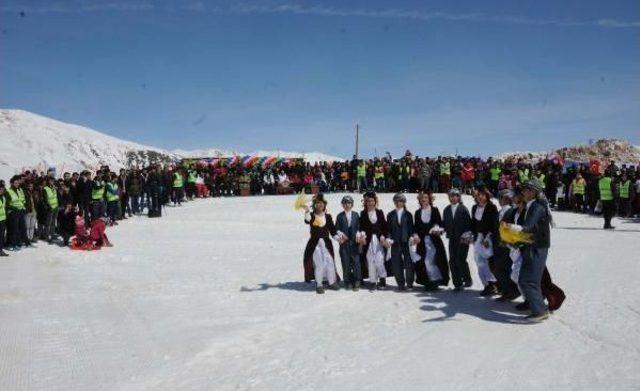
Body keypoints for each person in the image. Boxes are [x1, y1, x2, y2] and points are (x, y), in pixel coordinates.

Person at [506, 177, 553, 322]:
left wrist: (511, 228)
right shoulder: (531, 205)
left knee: (528, 280)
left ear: (533, 191)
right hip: (530, 245)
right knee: (527, 279)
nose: (523, 192)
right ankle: (538, 307)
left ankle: (539, 311)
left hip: (537, 247)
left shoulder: (537, 206)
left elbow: (528, 227)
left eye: (526, 189)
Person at [302, 194, 340, 294]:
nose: (320, 205)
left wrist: (337, 238)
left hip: (326, 243)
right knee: (319, 264)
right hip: (315, 244)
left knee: (330, 262)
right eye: (318, 203)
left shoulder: (328, 216)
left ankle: (332, 282)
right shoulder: (311, 215)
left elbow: (332, 230)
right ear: (315, 205)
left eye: (322, 203)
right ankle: (319, 284)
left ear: (324, 205)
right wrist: (306, 210)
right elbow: (307, 220)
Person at [412, 191, 450, 291]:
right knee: (424, 261)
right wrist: (415, 236)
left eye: (426, 197)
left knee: (431, 261)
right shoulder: (417, 212)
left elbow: (440, 224)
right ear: (419, 200)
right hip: (422, 242)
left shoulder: (434, 210)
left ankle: (435, 280)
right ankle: (428, 281)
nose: (424, 199)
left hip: (434, 240)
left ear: (429, 199)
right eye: (422, 198)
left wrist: (436, 228)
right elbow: (415, 227)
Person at [470, 187, 499, 296]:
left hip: (488, 239)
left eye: (482, 195)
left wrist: (488, 238)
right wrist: (470, 234)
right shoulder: (474, 208)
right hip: (478, 239)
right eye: (478, 195)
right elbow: (473, 224)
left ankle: (495, 284)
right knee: (479, 261)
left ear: (487, 195)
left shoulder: (492, 207)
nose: (480, 197)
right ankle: (487, 284)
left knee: (489, 261)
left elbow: (494, 225)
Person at [442, 188, 473, 291]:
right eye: (451, 196)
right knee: (452, 261)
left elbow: (469, 224)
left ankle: (467, 279)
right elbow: (445, 224)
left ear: (459, 197)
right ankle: (457, 283)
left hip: (462, 238)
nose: (453, 198)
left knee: (460, 260)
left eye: (455, 196)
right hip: (452, 238)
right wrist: (440, 229)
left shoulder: (463, 209)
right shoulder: (446, 210)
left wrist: (467, 235)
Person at [358, 191, 389, 290]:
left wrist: (383, 236)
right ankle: (372, 281)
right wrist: (362, 235)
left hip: (379, 240)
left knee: (379, 260)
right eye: (368, 201)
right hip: (368, 241)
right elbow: (361, 227)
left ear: (375, 202)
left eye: (372, 201)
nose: (370, 203)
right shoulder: (363, 213)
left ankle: (382, 279)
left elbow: (385, 226)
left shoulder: (380, 212)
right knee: (370, 260)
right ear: (365, 203)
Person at [386, 193, 415, 290]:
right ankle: (400, 284)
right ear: (394, 202)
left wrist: (411, 236)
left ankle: (409, 283)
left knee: (408, 263)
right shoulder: (390, 215)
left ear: (404, 202)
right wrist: (388, 238)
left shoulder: (408, 214)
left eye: (401, 201)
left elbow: (411, 228)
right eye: (397, 201)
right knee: (396, 264)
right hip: (395, 242)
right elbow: (389, 229)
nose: (399, 203)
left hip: (406, 242)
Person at [334, 195, 362, 291]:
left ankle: (357, 280)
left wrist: (358, 233)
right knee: (345, 262)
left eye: (349, 203)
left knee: (356, 262)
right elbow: (336, 228)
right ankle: (348, 281)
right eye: (345, 203)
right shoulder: (340, 216)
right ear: (342, 205)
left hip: (354, 243)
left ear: (352, 204)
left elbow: (359, 227)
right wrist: (340, 234)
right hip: (344, 243)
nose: (347, 205)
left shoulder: (356, 215)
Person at [5, 176, 30, 250]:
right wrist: (14, 208)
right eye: (15, 183)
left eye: (18, 183)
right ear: (12, 183)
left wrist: (24, 208)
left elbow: (22, 200)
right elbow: (7, 204)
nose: (17, 184)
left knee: (22, 227)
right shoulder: (9, 191)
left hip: (20, 211)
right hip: (13, 213)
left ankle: (20, 242)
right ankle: (14, 244)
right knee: (14, 229)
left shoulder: (19, 190)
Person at [42, 177, 60, 243]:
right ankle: (46, 235)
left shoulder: (54, 188)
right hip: (50, 208)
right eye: (50, 181)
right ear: (48, 181)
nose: (52, 182)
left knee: (53, 222)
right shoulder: (45, 189)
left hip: (56, 207)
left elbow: (56, 196)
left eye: (53, 181)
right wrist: (48, 206)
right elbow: (45, 199)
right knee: (48, 222)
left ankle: (52, 234)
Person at [0, 182, 7, 256]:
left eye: (2, 189)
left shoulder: (3, 197)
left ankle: (0, 250)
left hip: (3, 219)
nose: (1, 191)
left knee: (1, 236)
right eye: (0, 189)